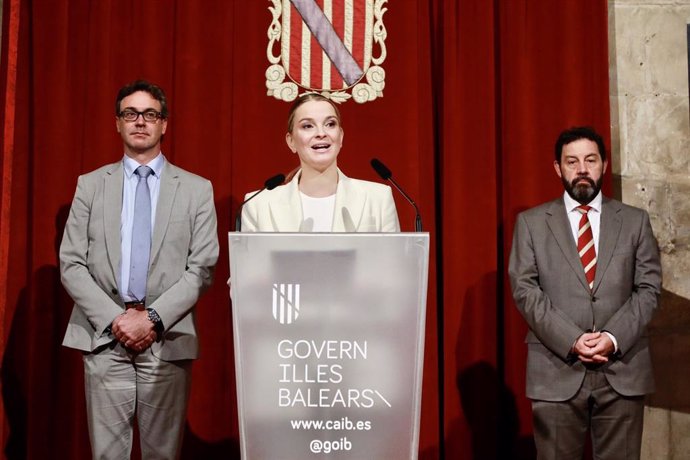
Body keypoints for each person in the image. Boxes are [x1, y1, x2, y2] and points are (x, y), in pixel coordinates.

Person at [60, 80, 219, 459]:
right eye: (130, 114)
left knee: (163, 454)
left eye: (150, 114)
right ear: (118, 123)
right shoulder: (91, 185)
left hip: (166, 338)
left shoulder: (196, 189)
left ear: (165, 123)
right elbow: (71, 263)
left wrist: (151, 318)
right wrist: (118, 319)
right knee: (107, 455)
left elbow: (203, 267)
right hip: (105, 338)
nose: (140, 122)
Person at [508, 126, 661, 460]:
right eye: (572, 161)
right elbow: (524, 289)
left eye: (590, 160)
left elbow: (648, 289)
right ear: (557, 168)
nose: (581, 169)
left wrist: (612, 336)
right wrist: (572, 339)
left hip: (623, 369)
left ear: (603, 165)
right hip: (556, 369)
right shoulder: (531, 224)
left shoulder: (635, 221)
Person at [240, 93, 400, 232]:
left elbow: (392, 264)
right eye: (308, 126)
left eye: (330, 124)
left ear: (341, 136)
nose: (321, 133)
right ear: (291, 141)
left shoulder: (378, 199)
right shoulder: (258, 205)